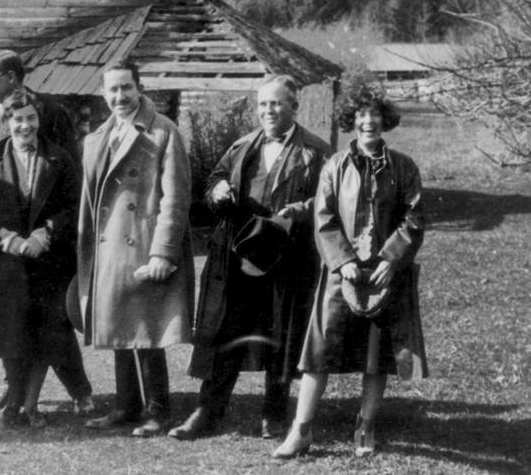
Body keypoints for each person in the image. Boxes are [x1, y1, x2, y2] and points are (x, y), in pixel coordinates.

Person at [170, 76, 331, 441]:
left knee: (281, 332)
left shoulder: (316, 151)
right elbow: (213, 181)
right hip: (237, 254)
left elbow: (331, 198)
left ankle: (274, 414)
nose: (268, 111)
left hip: (287, 259)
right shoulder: (242, 146)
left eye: (275, 104)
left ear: (293, 106)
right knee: (225, 330)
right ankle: (207, 412)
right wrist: (219, 190)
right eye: (262, 105)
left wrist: (302, 210)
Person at [273, 86, 426, 459]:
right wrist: (343, 262)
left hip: (386, 276)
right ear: (351, 120)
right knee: (319, 352)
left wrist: (392, 260)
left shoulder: (404, 166)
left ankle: (366, 425)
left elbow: (414, 217)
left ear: (385, 119)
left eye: (374, 114)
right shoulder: (335, 165)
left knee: (377, 356)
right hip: (342, 275)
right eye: (360, 115)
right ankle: (301, 430)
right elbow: (323, 218)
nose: (368, 121)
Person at [78, 61, 195, 437]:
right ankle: (126, 405)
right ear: (103, 93)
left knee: (145, 329)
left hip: (143, 241)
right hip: (109, 244)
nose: (120, 97)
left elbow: (176, 197)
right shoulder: (98, 136)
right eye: (112, 90)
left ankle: (158, 410)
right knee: (117, 325)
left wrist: (163, 252)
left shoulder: (162, 132)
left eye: (126, 88)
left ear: (139, 88)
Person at [0, 49, 94, 415]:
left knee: (54, 320)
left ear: (11, 76)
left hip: (49, 241)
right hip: (10, 243)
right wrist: (0, 232)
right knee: (13, 319)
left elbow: (67, 172)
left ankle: (79, 390)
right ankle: (16, 392)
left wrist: (49, 232)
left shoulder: (50, 111)